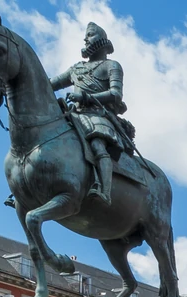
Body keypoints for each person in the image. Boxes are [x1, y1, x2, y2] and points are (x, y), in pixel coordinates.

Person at [49, 22, 127, 205]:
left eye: (90, 35)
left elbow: (116, 94)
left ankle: (104, 191)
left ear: (102, 40)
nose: (85, 39)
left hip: (98, 116)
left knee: (97, 145)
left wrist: (86, 97)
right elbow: (50, 84)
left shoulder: (112, 66)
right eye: (86, 36)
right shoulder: (76, 68)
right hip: (74, 115)